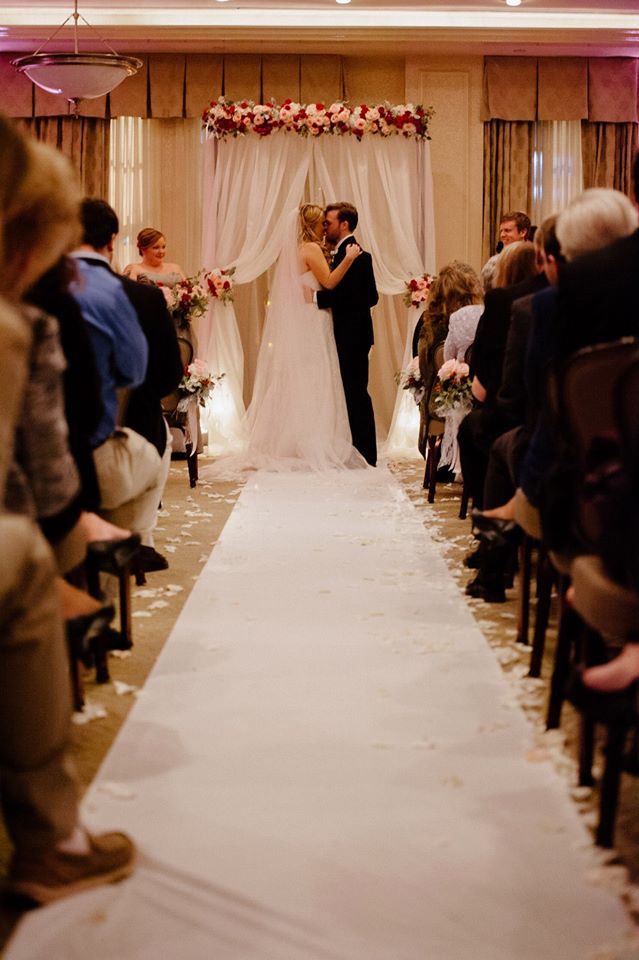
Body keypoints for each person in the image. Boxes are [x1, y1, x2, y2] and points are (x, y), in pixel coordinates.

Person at [0, 113, 134, 904]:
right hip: (44, 514)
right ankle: (51, 840)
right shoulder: (21, 326)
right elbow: (43, 492)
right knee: (30, 556)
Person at [76, 199, 183, 571]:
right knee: (158, 434)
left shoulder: (30, 289)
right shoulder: (140, 296)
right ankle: (138, 535)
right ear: (112, 241)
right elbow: (164, 376)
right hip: (103, 453)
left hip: (28, 458)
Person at [240, 203, 366, 471]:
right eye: (322, 223)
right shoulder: (310, 249)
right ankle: (315, 439)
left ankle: (300, 438)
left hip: (310, 317)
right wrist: (348, 259)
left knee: (308, 377)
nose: (325, 227)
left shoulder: (301, 249)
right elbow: (329, 282)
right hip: (313, 320)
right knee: (317, 376)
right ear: (311, 224)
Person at [316, 202, 379, 466]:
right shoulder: (337, 254)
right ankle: (352, 450)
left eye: (328, 223)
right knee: (347, 394)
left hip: (353, 337)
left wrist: (318, 298)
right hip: (345, 335)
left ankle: (365, 454)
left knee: (355, 394)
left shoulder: (358, 256)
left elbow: (368, 297)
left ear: (344, 224)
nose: (324, 228)